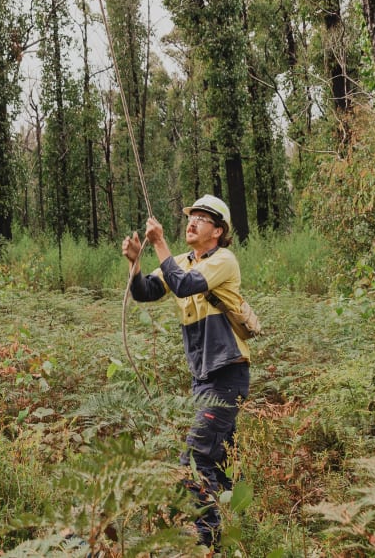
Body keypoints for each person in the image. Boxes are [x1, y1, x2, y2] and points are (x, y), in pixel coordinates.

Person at [121, 194, 252, 550]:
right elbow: (146, 291)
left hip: (227, 375)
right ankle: (230, 538)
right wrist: (135, 262)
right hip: (203, 378)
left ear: (218, 230)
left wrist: (159, 243)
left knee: (193, 461)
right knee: (218, 462)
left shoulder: (223, 260)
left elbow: (186, 284)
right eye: (190, 216)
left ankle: (208, 543)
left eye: (201, 218)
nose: (191, 222)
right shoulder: (180, 261)